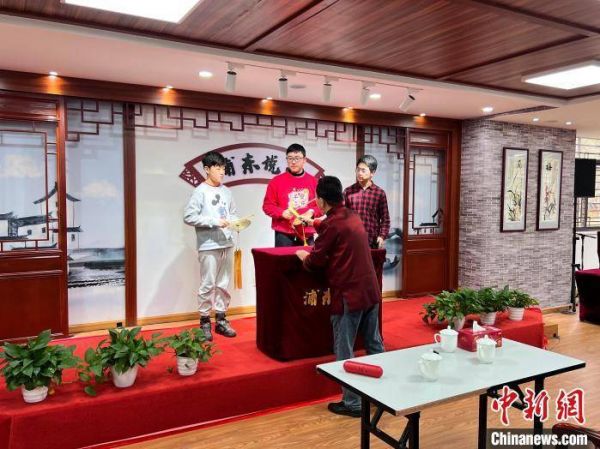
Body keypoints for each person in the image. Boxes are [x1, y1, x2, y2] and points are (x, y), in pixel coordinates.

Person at [296, 176, 384, 418]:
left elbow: (316, 261)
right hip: (370, 290)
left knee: (344, 347)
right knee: (374, 343)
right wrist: (316, 223)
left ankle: (352, 403)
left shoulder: (332, 224)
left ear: (321, 201)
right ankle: (382, 396)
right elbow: (332, 229)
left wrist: (303, 257)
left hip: (349, 294)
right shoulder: (352, 216)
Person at [183, 151, 238, 341]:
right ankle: (204, 321)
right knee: (208, 283)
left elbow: (232, 213)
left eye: (223, 168)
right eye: (217, 168)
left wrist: (237, 223)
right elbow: (189, 216)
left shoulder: (227, 191)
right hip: (208, 244)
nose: (222, 172)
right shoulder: (200, 191)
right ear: (207, 169)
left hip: (227, 243)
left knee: (224, 283)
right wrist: (214, 221)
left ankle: (221, 320)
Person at [262, 143, 320, 247]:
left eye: (297, 158)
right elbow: (267, 206)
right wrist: (281, 213)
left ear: (304, 160)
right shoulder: (276, 181)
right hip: (284, 232)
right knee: (284, 258)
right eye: (290, 158)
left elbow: (322, 206)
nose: (293, 162)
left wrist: (311, 212)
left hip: (306, 231)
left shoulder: (314, 182)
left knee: (308, 258)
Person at [343, 155, 390, 249]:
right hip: (352, 240)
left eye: (363, 170)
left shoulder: (379, 193)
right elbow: (342, 216)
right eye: (358, 169)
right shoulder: (348, 191)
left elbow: (385, 219)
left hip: (372, 241)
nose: (359, 173)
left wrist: (382, 236)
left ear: (372, 173)